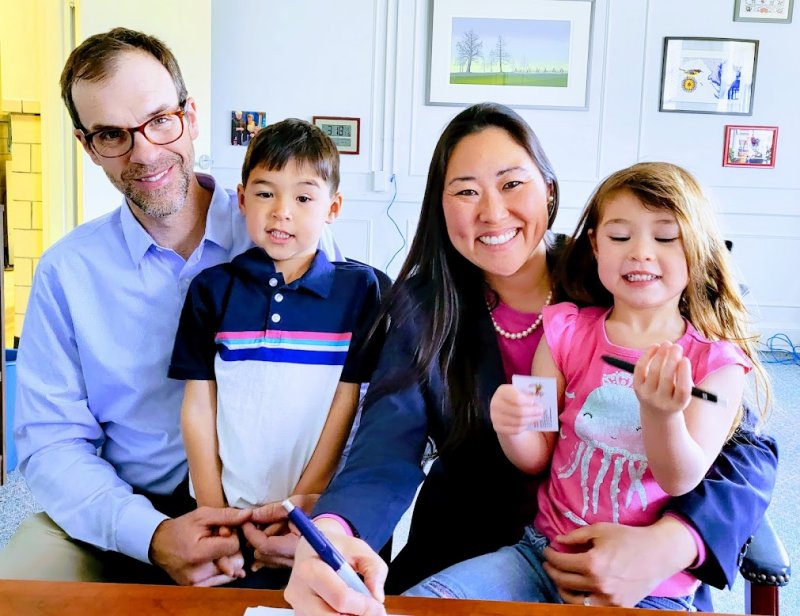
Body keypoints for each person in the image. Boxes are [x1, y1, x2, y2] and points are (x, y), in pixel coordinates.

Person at [282, 103, 777, 615]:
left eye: (512, 184)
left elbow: (747, 447)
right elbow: (384, 449)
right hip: (473, 555)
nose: (492, 212)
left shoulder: (619, 277)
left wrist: (675, 543)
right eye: (466, 190)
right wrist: (334, 530)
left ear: (550, 189)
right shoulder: (422, 309)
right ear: (440, 206)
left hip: (637, 569)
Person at [0, 28, 339, 585]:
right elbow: (51, 441)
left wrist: (311, 506)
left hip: (272, 503)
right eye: (113, 134)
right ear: (88, 147)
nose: (146, 152)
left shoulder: (290, 234)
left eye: (160, 120)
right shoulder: (67, 273)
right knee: (21, 588)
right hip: (122, 507)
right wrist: (149, 534)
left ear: (192, 115)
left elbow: (344, 391)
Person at [403, 162, 773, 611]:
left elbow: (680, 479)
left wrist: (661, 415)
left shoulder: (716, 363)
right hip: (540, 555)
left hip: (651, 587)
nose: (640, 252)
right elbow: (536, 453)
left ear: (699, 250)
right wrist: (511, 424)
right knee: (425, 603)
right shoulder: (563, 330)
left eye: (665, 236)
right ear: (595, 245)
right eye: (620, 237)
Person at [169, 119, 382, 586]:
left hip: (316, 516)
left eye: (303, 197)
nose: (282, 211)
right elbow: (199, 405)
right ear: (242, 199)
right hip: (228, 511)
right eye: (266, 193)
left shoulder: (361, 290)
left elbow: (348, 402)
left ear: (333, 207)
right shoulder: (212, 290)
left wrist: (306, 502)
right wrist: (213, 511)